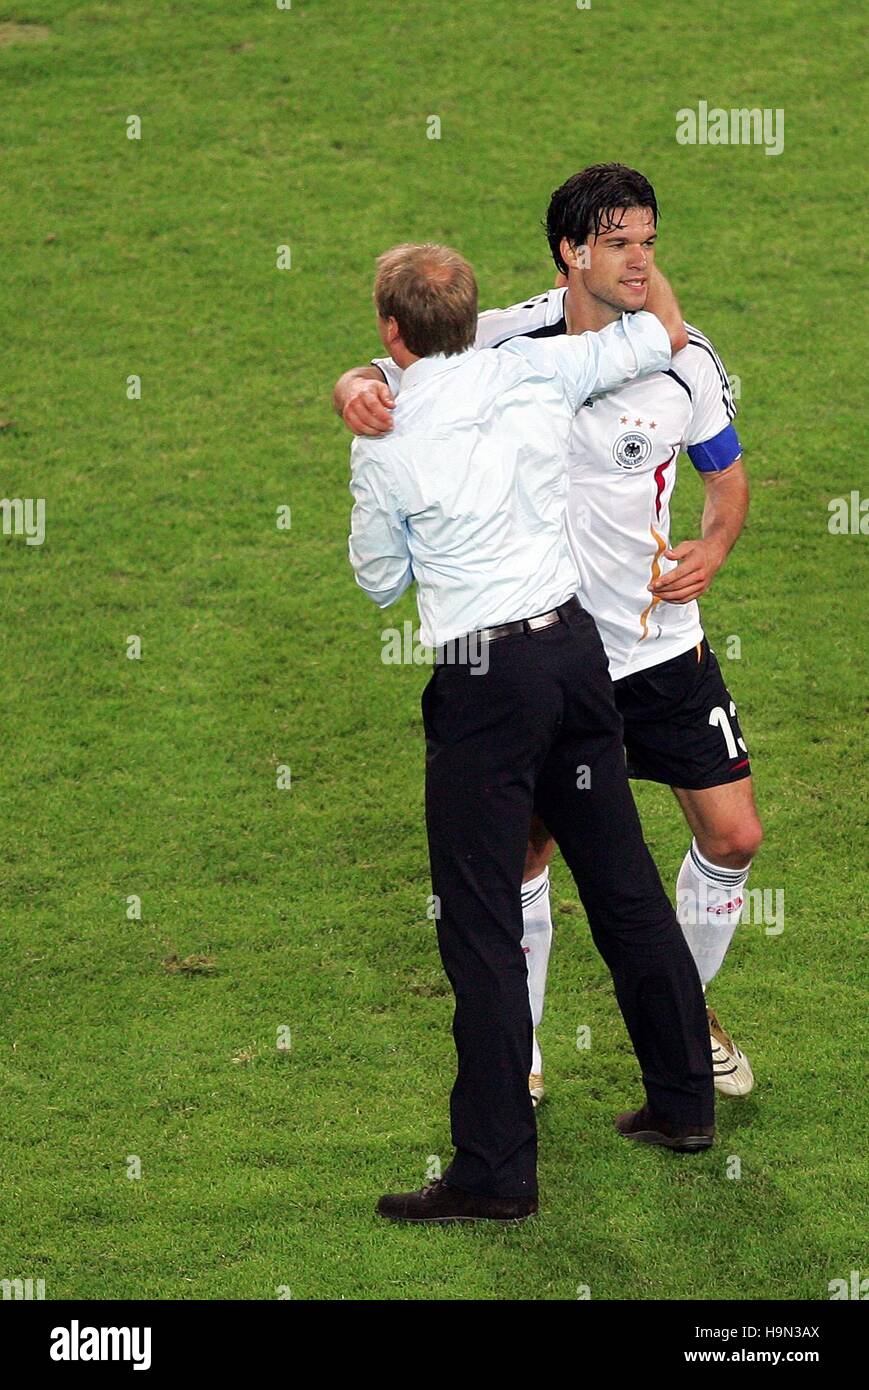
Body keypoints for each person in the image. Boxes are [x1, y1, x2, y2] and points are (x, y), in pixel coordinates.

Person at [335, 165, 762, 1106]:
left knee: (733, 837)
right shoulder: (503, 338)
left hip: (658, 646)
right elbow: (398, 363)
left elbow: (724, 478)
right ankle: (522, 1055)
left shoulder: (685, 360)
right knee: (528, 856)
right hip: (559, 656)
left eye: (649, 242)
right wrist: (354, 383)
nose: (640, 261)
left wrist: (713, 546)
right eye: (618, 243)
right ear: (570, 252)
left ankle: (684, 1013)